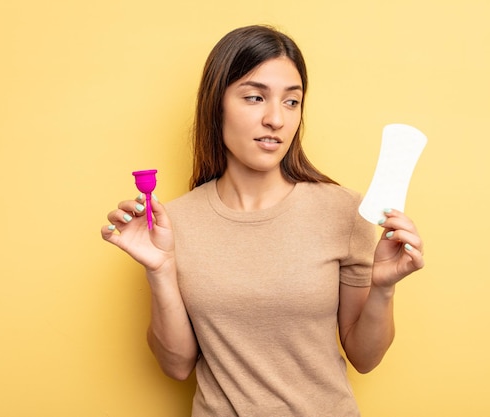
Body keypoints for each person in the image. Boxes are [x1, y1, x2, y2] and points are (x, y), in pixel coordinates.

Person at [101, 25, 424, 416]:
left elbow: (365, 358)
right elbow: (176, 366)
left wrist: (384, 288)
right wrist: (160, 269)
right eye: (255, 98)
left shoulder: (344, 212)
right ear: (216, 105)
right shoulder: (174, 223)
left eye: (292, 102)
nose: (276, 119)